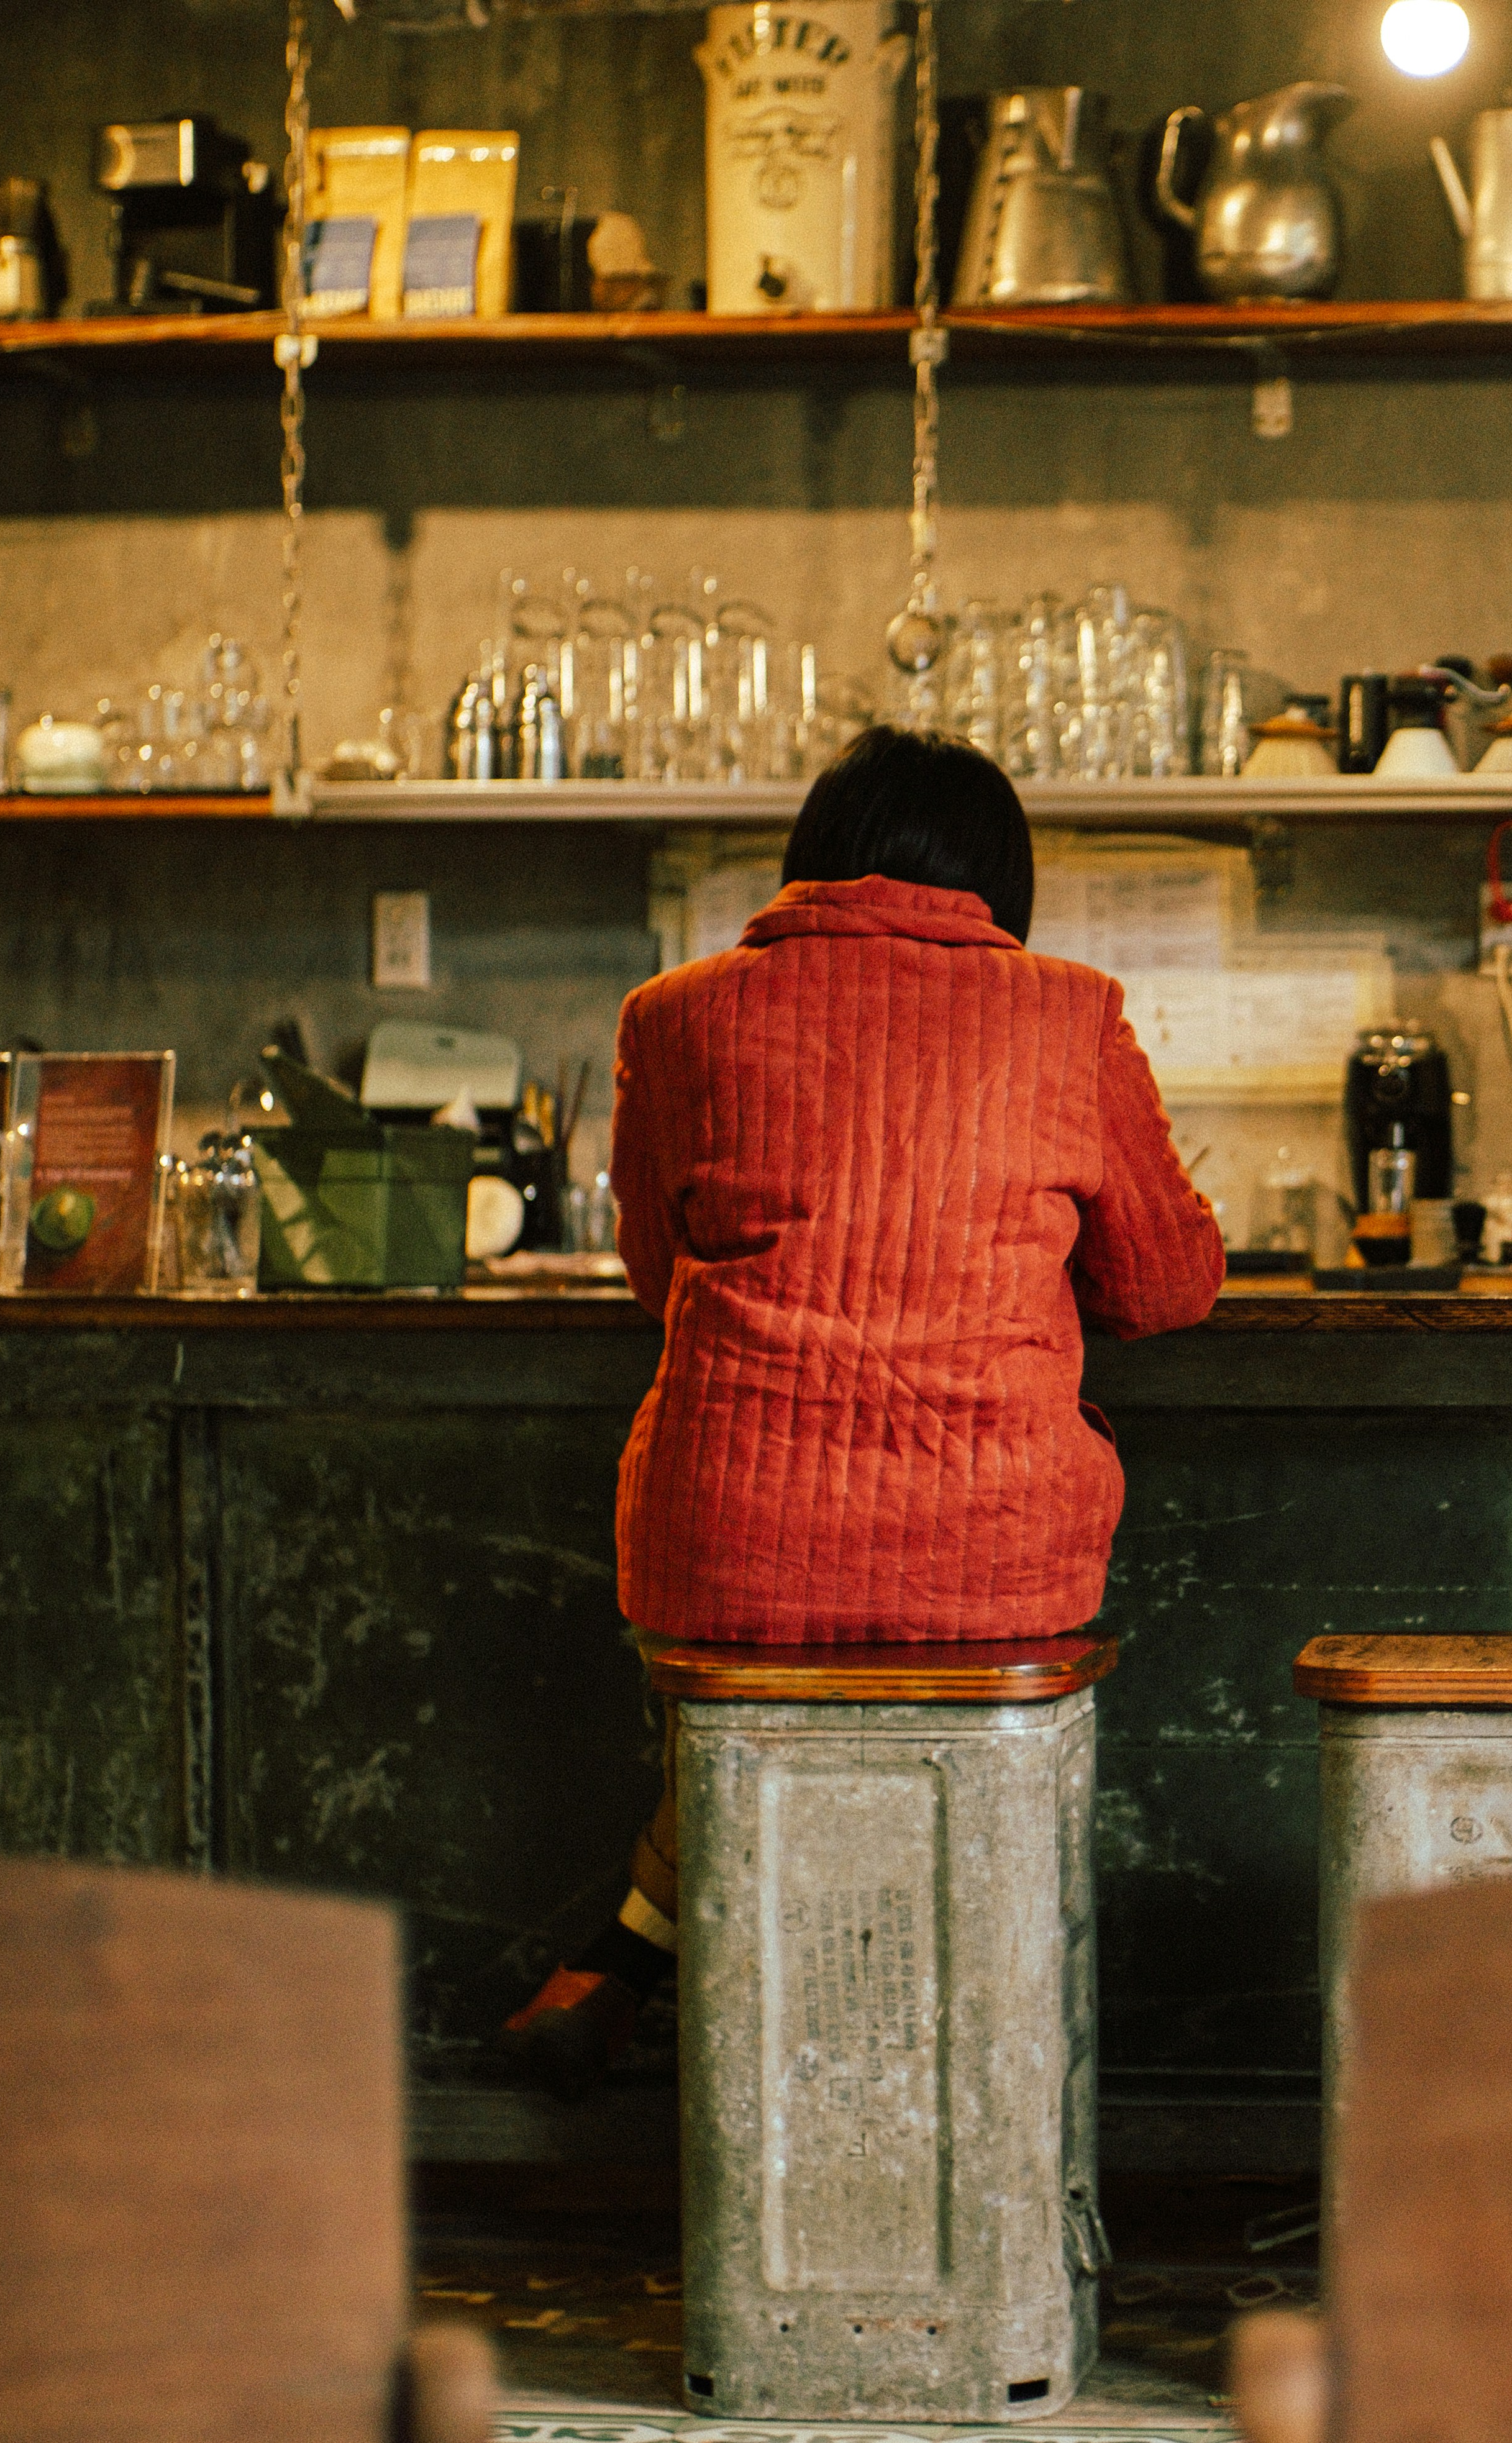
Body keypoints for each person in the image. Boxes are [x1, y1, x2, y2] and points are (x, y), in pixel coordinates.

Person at [500, 726, 1223, 2093]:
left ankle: (634, 1962)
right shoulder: (1072, 1012)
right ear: (1001, 886)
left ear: (810, 860)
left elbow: (661, 1277)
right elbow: (1169, 1285)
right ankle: (919, 2084)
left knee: (741, 1737)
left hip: (732, 1545)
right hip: (993, 1555)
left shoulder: (675, 1013)